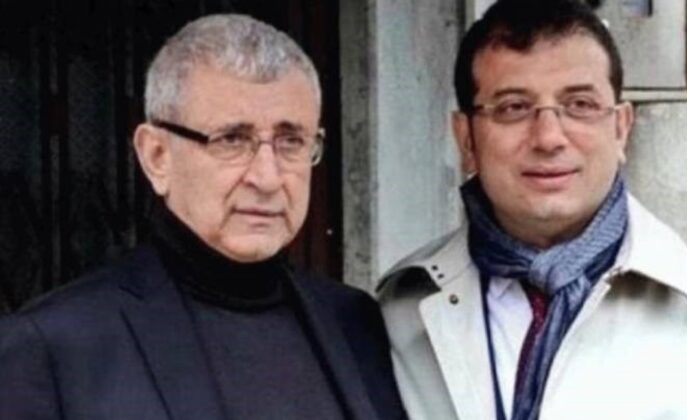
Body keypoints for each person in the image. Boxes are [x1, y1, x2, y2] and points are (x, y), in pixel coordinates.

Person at [376, 1, 687, 419]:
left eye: (580, 105)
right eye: (514, 107)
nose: (548, 138)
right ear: (466, 139)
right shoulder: (396, 312)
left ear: (620, 128)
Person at [0, 14, 405, 420]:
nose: (267, 178)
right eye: (232, 140)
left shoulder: (357, 324)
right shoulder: (54, 347)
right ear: (157, 156)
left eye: (291, 141)